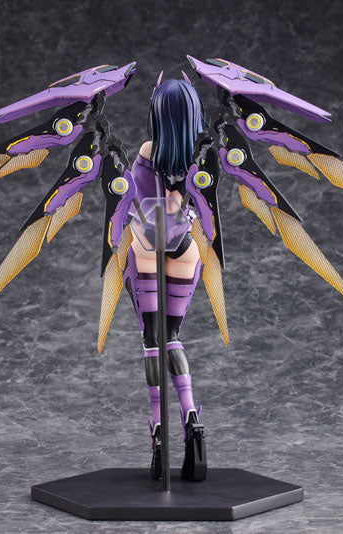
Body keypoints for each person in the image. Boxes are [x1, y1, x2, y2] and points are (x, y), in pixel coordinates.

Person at [123, 78, 207, 482]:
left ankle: (158, 430)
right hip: (184, 250)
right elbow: (202, 207)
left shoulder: (147, 152)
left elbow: (131, 201)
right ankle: (191, 417)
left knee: (151, 338)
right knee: (172, 335)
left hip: (146, 248)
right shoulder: (200, 158)